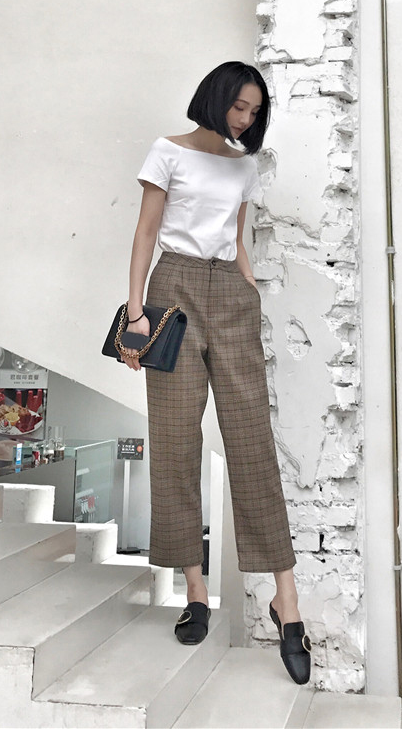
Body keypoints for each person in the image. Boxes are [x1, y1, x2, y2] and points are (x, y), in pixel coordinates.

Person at [121, 61, 311, 684]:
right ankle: (195, 590)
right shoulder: (168, 151)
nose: (245, 119)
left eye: (255, 112)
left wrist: (248, 286)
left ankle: (287, 598)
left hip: (230, 292)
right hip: (172, 289)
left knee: (251, 439)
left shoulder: (243, 165)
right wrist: (136, 315)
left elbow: (237, 235)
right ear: (217, 98)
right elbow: (146, 231)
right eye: (239, 107)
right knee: (176, 439)